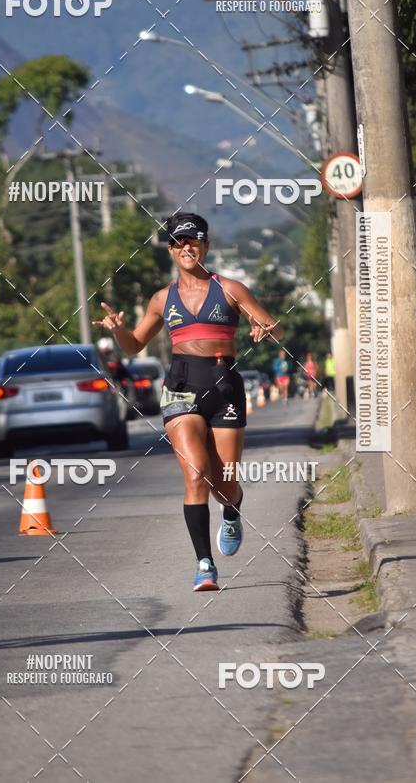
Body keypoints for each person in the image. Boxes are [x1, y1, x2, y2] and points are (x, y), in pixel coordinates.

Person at [94, 212, 282, 592]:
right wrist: (118, 332)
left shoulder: (231, 289)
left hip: (225, 386)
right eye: (180, 243)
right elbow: (135, 345)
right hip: (181, 387)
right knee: (195, 476)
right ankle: (204, 565)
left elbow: (276, 330)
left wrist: (263, 327)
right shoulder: (162, 299)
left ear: (206, 245)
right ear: (171, 250)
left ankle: (231, 510)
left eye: (194, 241)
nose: (187, 248)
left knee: (224, 482)